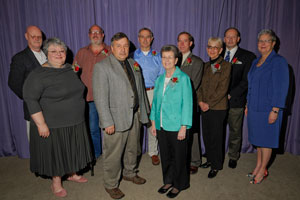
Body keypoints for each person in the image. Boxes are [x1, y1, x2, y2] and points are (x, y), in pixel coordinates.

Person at [23, 37, 93, 198]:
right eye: (54, 51)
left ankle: (72, 173)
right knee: (57, 153)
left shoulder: (69, 68)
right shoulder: (38, 74)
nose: (59, 54)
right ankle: (56, 183)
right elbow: (30, 99)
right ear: (46, 53)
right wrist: (41, 124)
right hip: (53, 124)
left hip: (75, 121)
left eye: (62, 51)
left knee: (72, 149)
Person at [93, 32, 150, 199]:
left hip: (134, 115)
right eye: (119, 46)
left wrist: (143, 113)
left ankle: (130, 173)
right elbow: (100, 98)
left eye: (125, 46)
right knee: (113, 153)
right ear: (111, 48)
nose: (123, 49)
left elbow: (139, 90)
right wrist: (107, 121)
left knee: (133, 149)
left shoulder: (133, 63)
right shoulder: (102, 67)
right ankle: (111, 184)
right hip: (115, 119)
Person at [246, 29, 289, 184]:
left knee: (266, 141)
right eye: (260, 41)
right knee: (258, 141)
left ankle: (263, 170)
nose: (262, 44)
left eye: (266, 41)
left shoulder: (279, 62)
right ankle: (258, 166)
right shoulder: (254, 62)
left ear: (273, 43)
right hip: (254, 109)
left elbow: (281, 88)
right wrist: (247, 104)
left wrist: (275, 109)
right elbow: (250, 85)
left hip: (269, 109)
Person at [150, 45, 193, 198]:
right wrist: (153, 123)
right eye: (164, 57)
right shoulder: (160, 79)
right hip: (162, 124)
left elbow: (188, 104)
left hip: (177, 125)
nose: (166, 60)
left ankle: (180, 183)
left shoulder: (183, 79)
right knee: (166, 155)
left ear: (176, 60)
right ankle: (168, 180)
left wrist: (184, 126)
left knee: (179, 156)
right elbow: (155, 103)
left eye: (170, 57)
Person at [74, 24, 111, 159]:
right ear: (89, 35)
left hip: (107, 98)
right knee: (93, 129)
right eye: (92, 32)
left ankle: (110, 153)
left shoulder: (111, 51)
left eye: (98, 32)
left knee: (109, 128)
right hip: (89, 98)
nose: (95, 35)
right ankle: (96, 153)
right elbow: (74, 71)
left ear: (102, 35)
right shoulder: (81, 52)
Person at [197, 37, 231, 178]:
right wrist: (200, 102)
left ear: (221, 50)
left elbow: (223, 89)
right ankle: (210, 160)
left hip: (218, 108)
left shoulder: (226, 66)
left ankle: (216, 165)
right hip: (203, 106)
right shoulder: (204, 66)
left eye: (215, 47)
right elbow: (198, 86)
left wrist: (208, 104)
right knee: (207, 135)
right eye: (210, 46)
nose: (212, 50)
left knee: (216, 137)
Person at [222, 27, 256, 169]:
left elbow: (246, 80)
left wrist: (231, 94)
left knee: (235, 130)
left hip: (235, 101)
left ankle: (233, 156)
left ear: (238, 39)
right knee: (217, 129)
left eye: (233, 37)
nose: (229, 39)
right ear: (224, 39)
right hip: (218, 102)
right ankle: (215, 155)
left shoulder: (248, 56)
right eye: (227, 37)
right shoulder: (217, 52)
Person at [8, 25, 47, 140]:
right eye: (33, 36)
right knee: (37, 145)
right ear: (26, 37)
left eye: (39, 36)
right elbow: (14, 83)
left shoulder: (49, 54)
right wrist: (31, 98)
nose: (36, 39)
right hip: (34, 109)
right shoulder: (20, 58)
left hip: (52, 108)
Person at [133, 27, 164, 166]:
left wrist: (156, 97)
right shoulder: (132, 56)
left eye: (148, 37)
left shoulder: (158, 56)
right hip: (136, 93)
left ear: (152, 39)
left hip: (153, 91)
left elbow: (162, 77)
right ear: (138, 38)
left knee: (153, 123)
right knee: (136, 124)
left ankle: (153, 152)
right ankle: (135, 153)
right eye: (142, 36)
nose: (145, 39)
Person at [177, 31, 204, 174]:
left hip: (189, 102)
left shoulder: (197, 62)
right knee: (178, 131)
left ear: (191, 43)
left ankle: (194, 160)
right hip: (174, 104)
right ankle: (181, 158)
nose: (182, 44)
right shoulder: (174, 59)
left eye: (185, 41)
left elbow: (194, 84)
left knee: (191, 132)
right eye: (179, 41)